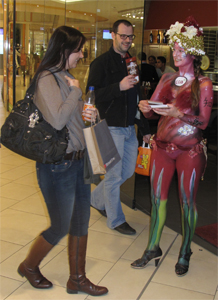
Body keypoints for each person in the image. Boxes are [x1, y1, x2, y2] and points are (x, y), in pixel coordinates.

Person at [17, 26, 108, 297]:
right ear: (64, 50)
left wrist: (89, 113)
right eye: (78, 49)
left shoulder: (66, 78)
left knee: (81, 220)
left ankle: (77, 279)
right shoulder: (46, 78)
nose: (82, 54)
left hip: (78, 162)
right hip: (57, 166)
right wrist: (76, 94)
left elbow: (75, 119)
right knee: (59, 225)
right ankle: (29, 266)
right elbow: (57, 120)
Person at [131, 16, 213, 276]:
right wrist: (145, 108)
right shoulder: (167, 79)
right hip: (162, 149)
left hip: (189, 151)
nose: (176, 54)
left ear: (193, 53)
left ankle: (185, 250)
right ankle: (153, 246)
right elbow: (154, 112)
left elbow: (203, 122)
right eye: (174, 49)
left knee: (187, 203)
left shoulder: (203, 84)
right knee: (157, 200)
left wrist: (180, 114)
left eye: (181, 50)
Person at [86, 19, 151, 235]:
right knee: (114, 176)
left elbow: (137, 97)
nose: (127, 40)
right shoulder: (101, 63)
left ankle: (96, 198)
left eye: (130, 36)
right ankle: (115, 220)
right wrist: (118, 86)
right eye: (123, 36)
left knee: (127, 170)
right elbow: (92, 95)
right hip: (109, 127)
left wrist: (145, 128)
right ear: (113, 35)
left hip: (128, 128)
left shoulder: (133, 63)